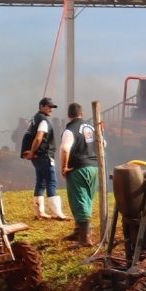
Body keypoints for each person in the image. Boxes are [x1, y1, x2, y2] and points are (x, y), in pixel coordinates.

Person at [57, 103, 99, 244]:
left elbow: (64, 149)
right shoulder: (91, 128)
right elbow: (103, 144)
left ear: (69, 115)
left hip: (78, 169)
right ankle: (78, 231)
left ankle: (85, 238)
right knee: (87, 199)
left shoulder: (70, 130)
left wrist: (64, 167)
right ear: (82, 113)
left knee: (79, 200)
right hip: (94, 168)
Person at [21, 97, 63, 221]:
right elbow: (39, 138)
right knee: (51, 182)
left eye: (52, 107)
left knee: (40, 182)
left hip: (37, 157)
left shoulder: (35, 119)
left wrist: (31, 153)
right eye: (49, 106)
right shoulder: (43, 121)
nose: (51, 109)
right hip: (44, 155)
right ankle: (57, 213)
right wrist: (32, 151)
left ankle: (40, 212)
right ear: (41, 106)